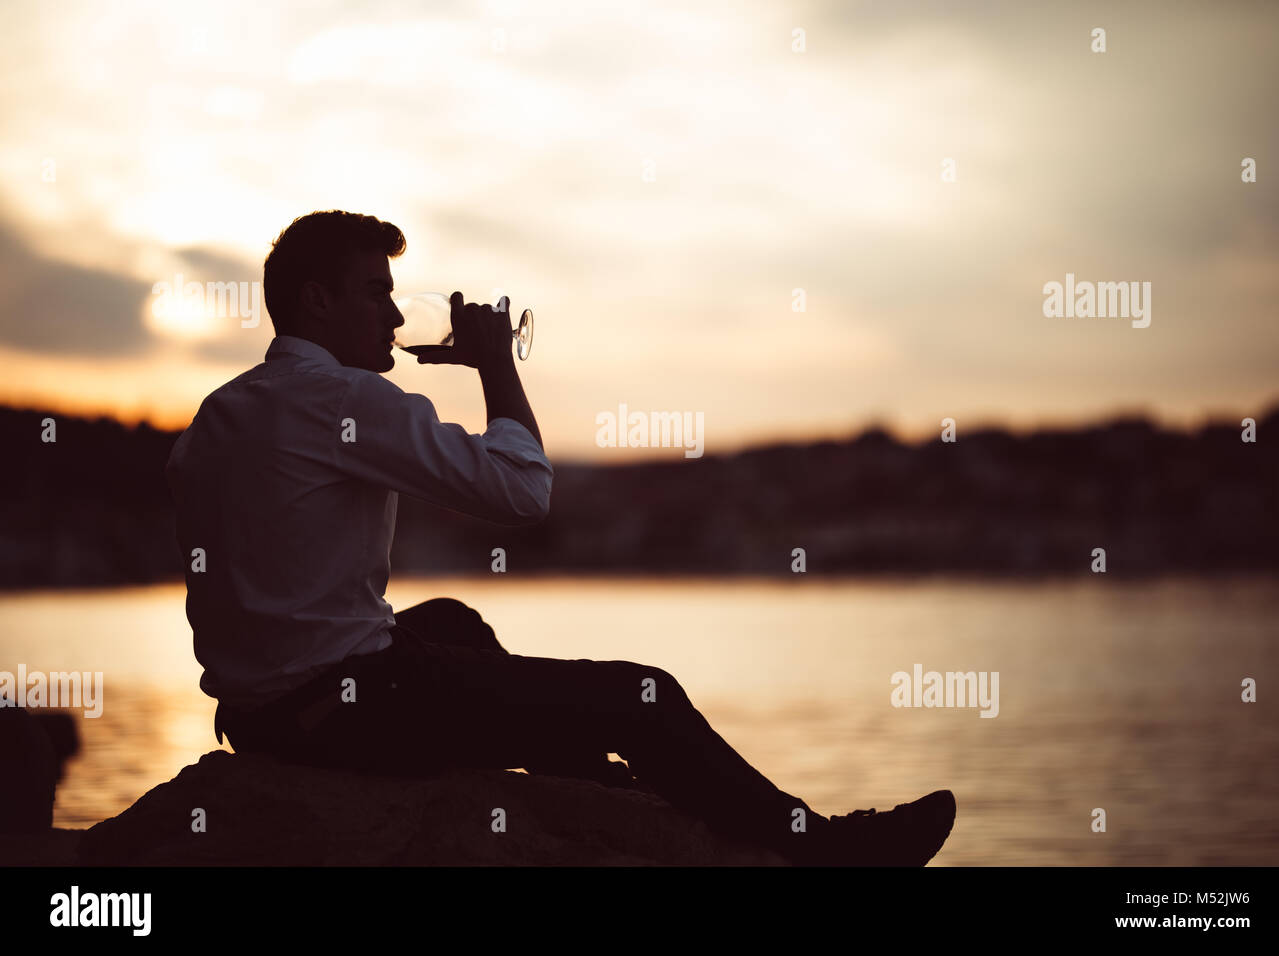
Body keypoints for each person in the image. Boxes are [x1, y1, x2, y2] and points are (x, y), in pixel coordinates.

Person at [165, 209, 956, 866]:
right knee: (642, 694)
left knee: (452, 623)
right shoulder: (347, 397)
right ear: (316, 303)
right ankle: (823, 849)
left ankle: (589, 784)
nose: (398, 318)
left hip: (256, 715)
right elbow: (523, 491)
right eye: (377, 294)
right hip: (347, 710)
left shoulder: (216, 416)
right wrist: (494, 364)